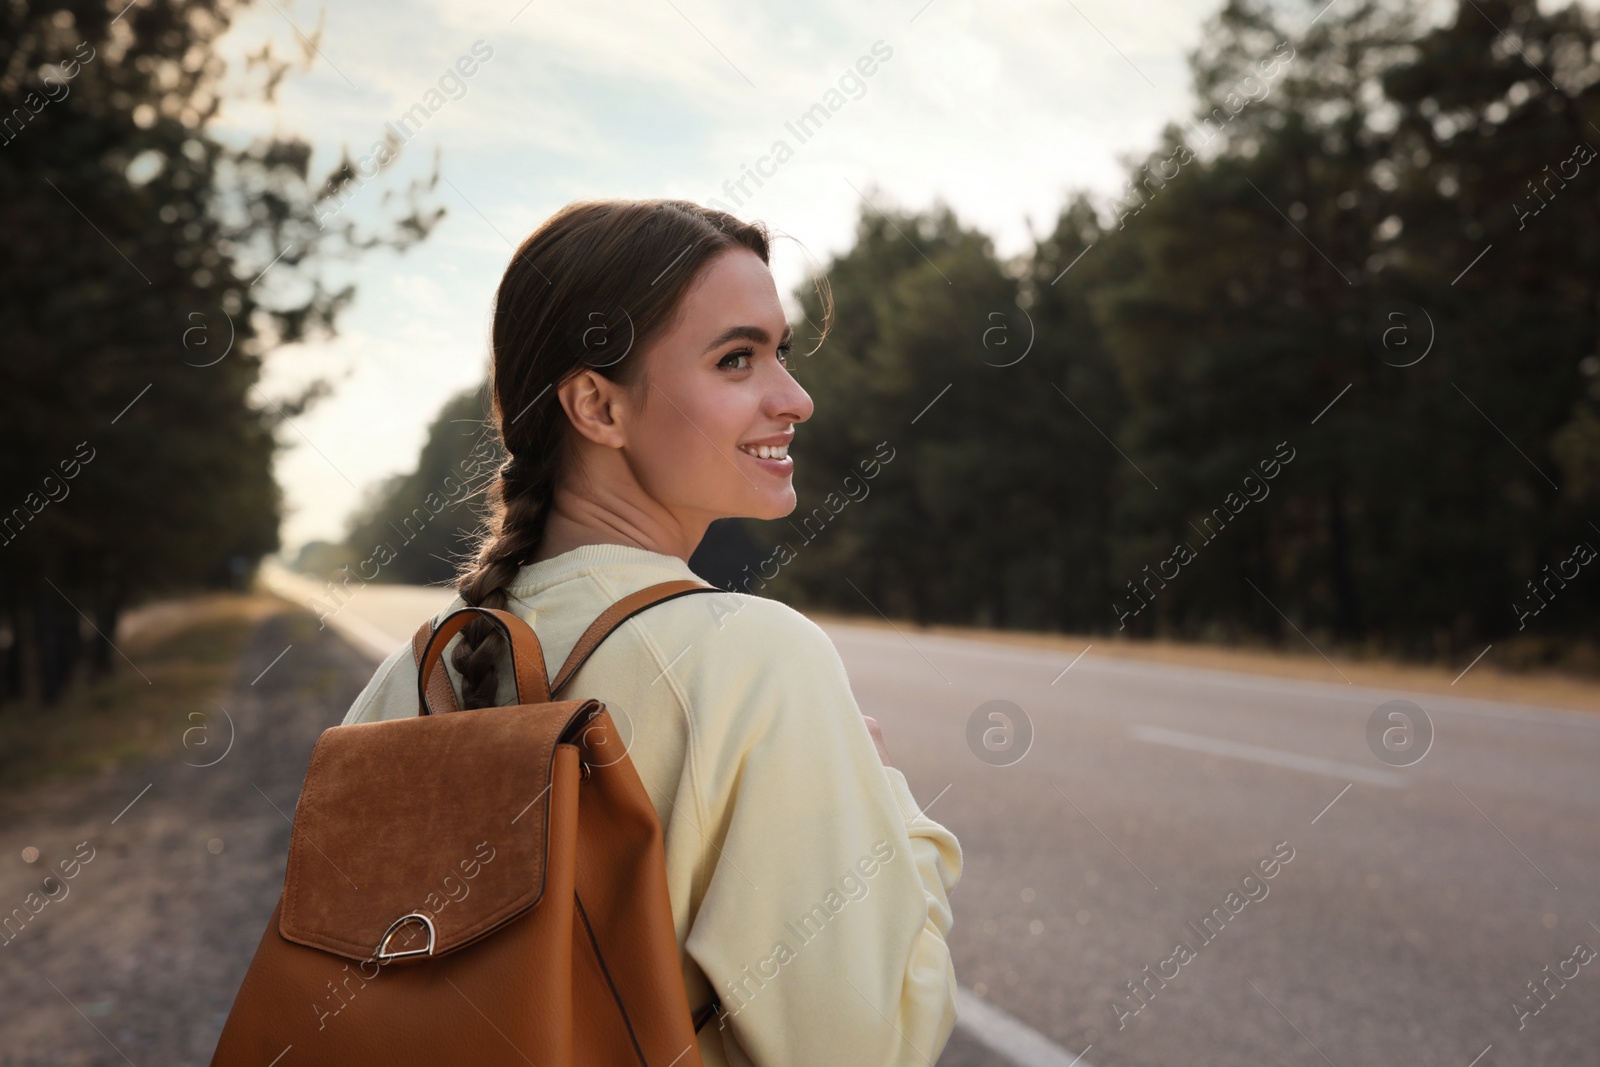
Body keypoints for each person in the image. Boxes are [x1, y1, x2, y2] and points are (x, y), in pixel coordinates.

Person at [338, 198, 962, 1066]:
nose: (797, 399)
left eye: (781, 353)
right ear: (598, 405)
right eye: (737, 359)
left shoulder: (417, 668)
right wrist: (894, 807)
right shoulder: (757, 661)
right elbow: (870, 1047)